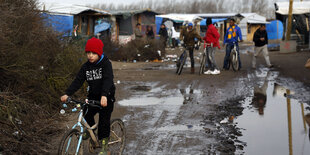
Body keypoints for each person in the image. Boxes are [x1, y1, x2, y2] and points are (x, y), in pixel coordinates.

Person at [60, 37, 115, 155]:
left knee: (104, 122)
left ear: (99, 53)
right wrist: (67, 93)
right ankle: (91, 131)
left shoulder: (106, 64)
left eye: (94, 53)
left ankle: (105, 148)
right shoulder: (86, 67)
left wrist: (104, 96)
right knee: (86, 112)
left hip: (106, 97)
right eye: (88, 53)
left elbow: (107, 80)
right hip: (93, 96)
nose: (90, 55)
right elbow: (78, 81)